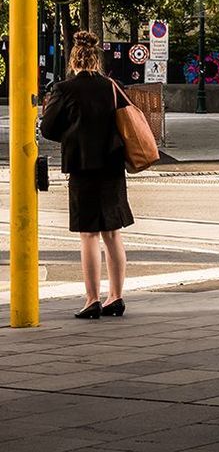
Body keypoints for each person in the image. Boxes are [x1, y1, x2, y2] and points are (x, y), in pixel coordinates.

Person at [39, 30, 134, 318]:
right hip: (113, 165)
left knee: (88, 235)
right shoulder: (112, 87)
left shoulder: (64, 89)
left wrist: (73, 133)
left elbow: (48, 128)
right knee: (112, 234)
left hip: (82, 166)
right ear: (96, 59)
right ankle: (115, 297)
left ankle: (92, 299)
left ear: (73, 60)